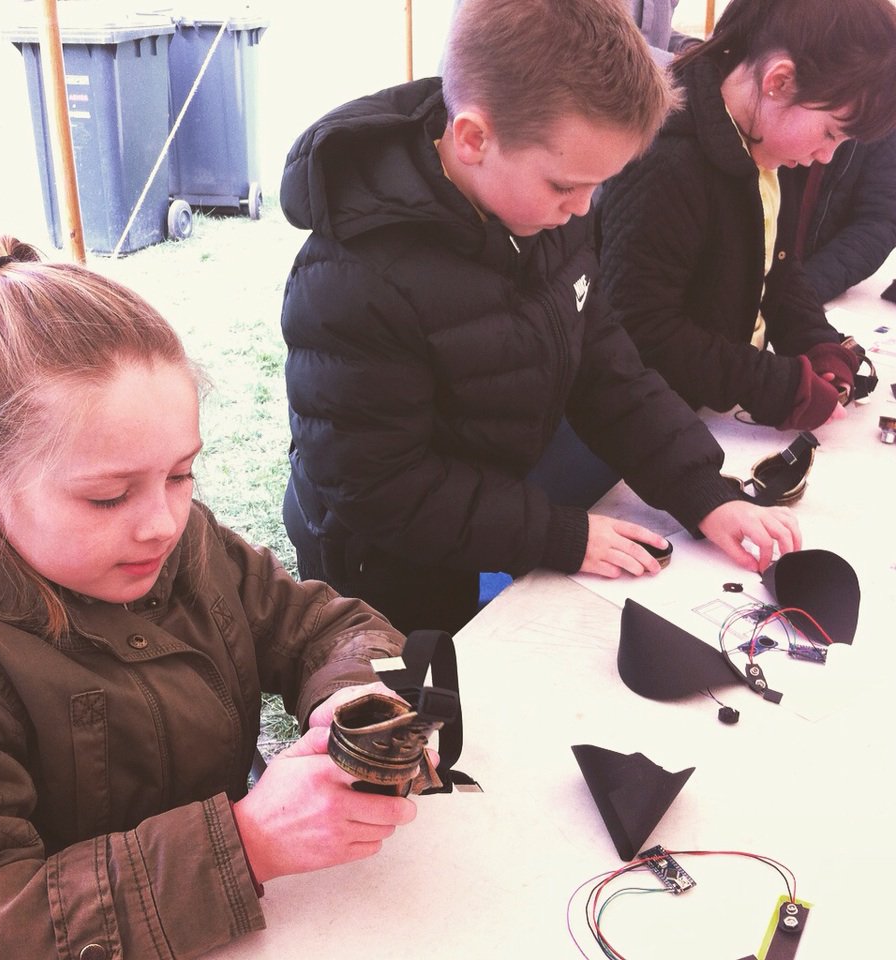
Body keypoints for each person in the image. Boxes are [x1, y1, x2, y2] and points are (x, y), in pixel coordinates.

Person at [0, 237, 420, 959]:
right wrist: (245, 845)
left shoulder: (187, 542)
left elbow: (323, 625)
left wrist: (353, 695)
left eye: (180, 474)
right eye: (108, 496)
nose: (162, 523)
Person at [279, 0, 801, 638]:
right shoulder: (355, 280)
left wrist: (701, 490)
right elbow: (380, 485)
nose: (582, 209)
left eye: (597, 187)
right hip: (379, 564)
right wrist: (556, 532)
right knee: (425, 681)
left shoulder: (541, 213)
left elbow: (603, 362)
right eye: (565, 186)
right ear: (474, 139)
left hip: (479, 509)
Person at [596, 0, 896, 432]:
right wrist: (775, 386)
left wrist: (817, 343)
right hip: (649, 427)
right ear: (779, 81)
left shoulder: (764, 142)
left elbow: (777, 269)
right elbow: (642, 328)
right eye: (830, 133)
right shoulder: (668, 161)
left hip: (708, 415)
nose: (827, 156)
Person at [776, 131, 896, 305]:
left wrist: (802, 291)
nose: (825, 156)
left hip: (806, 282)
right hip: (748, 272)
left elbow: (878, 222)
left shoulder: (883, 125)